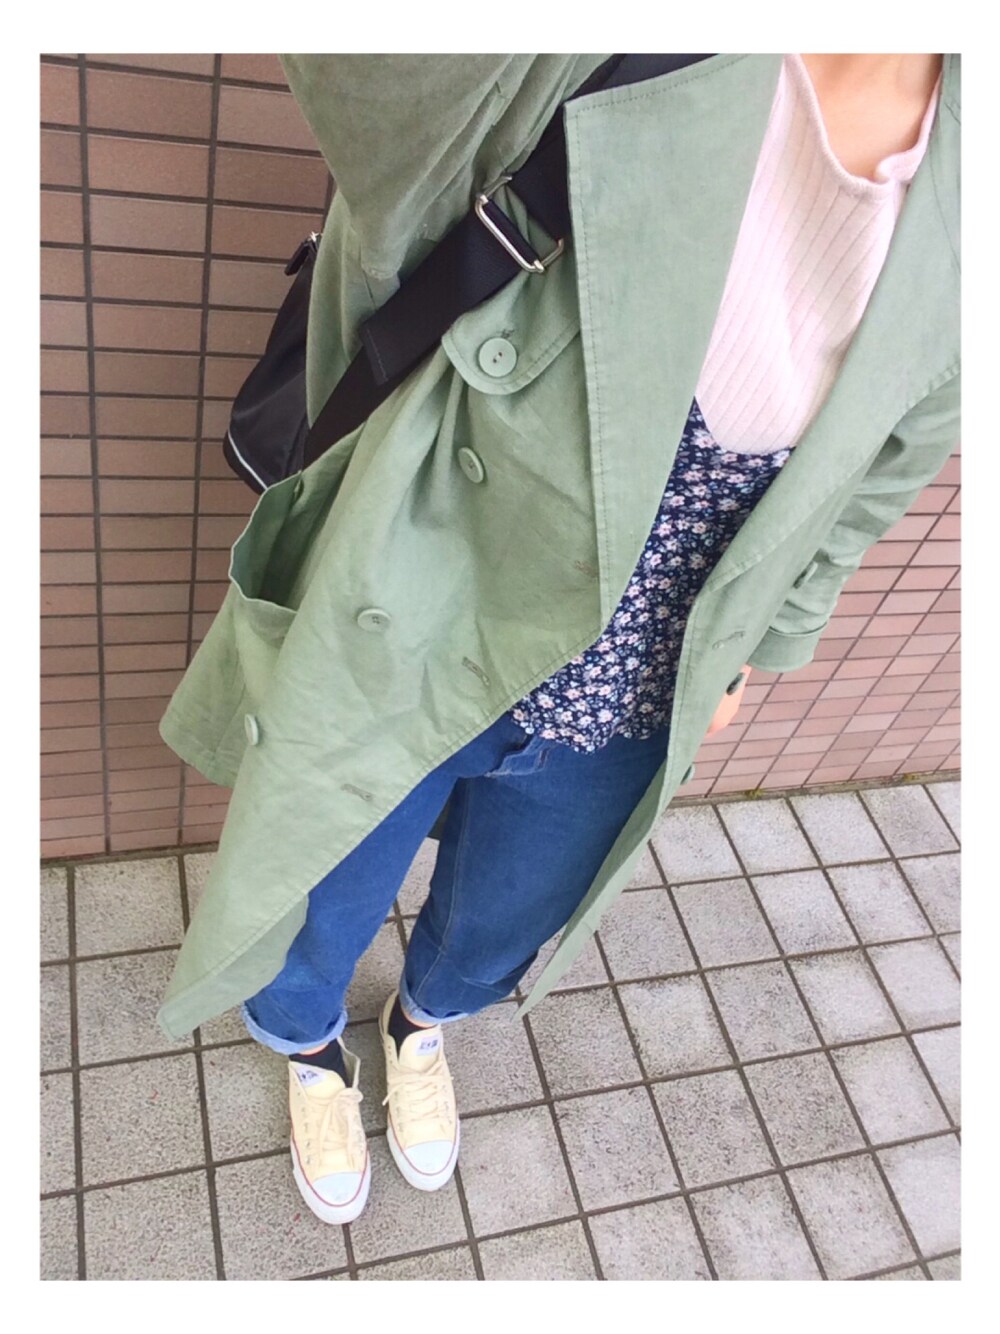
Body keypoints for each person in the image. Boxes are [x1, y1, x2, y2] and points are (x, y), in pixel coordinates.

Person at [156, 53, 959, 1226]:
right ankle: (307, 1042)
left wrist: (765, 639)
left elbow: (888, 459)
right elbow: (373, 91)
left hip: (660, 646)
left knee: (514, 900)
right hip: (449, 572)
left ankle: (421, 1026)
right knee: (325, 868)